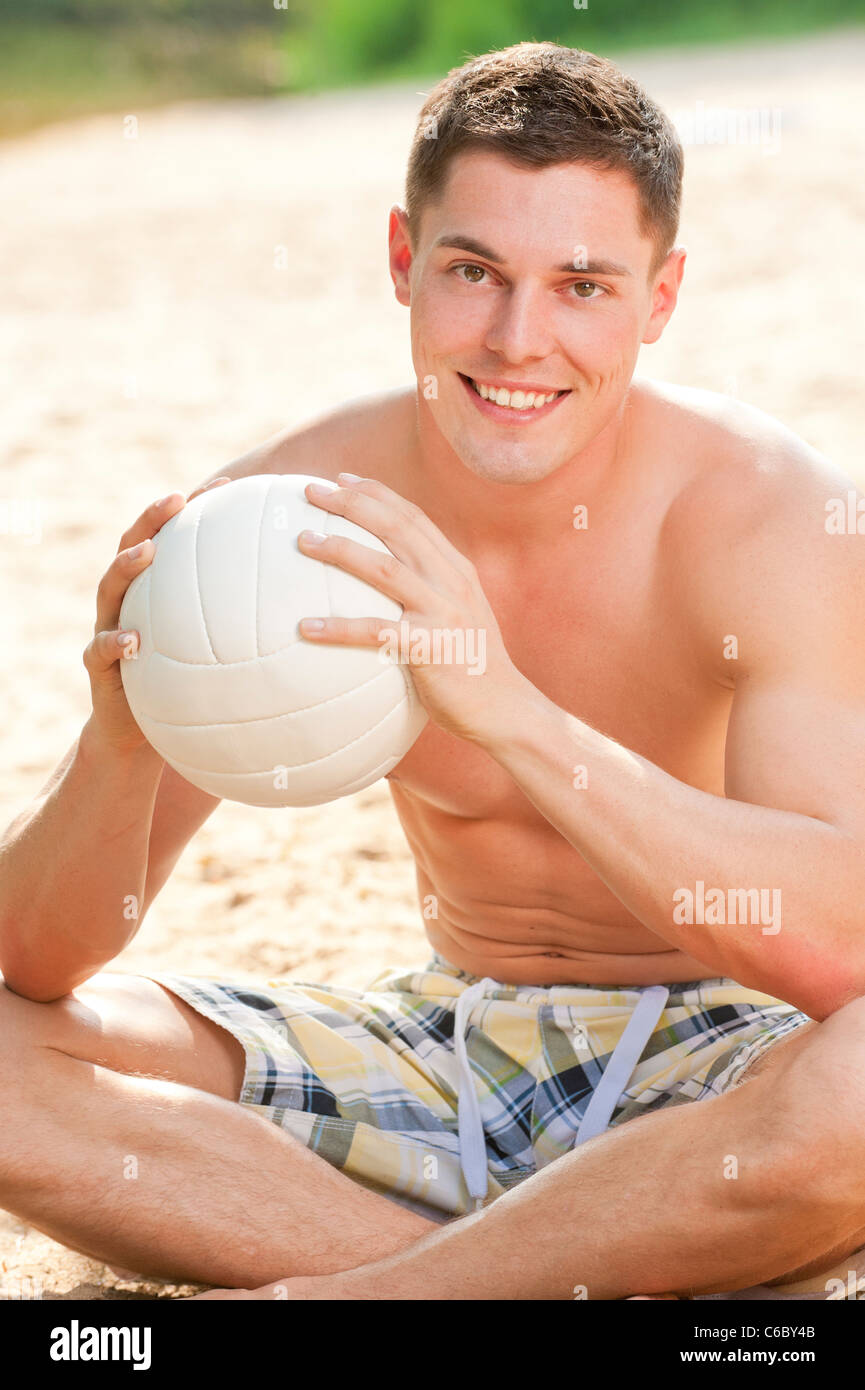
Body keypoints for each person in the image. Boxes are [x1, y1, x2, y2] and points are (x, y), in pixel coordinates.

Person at [2, 42, 865, 1303]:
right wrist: (121, 748)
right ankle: (550, 1264)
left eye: (582, 285)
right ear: (404, 262)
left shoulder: (768, 514)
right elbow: (38, 965)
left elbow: (836, 953)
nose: (520, 342)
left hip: (723, 1062)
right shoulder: (274, 519)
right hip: (441, 1050)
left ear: (660, 297)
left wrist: (509, 712)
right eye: (475, 272)